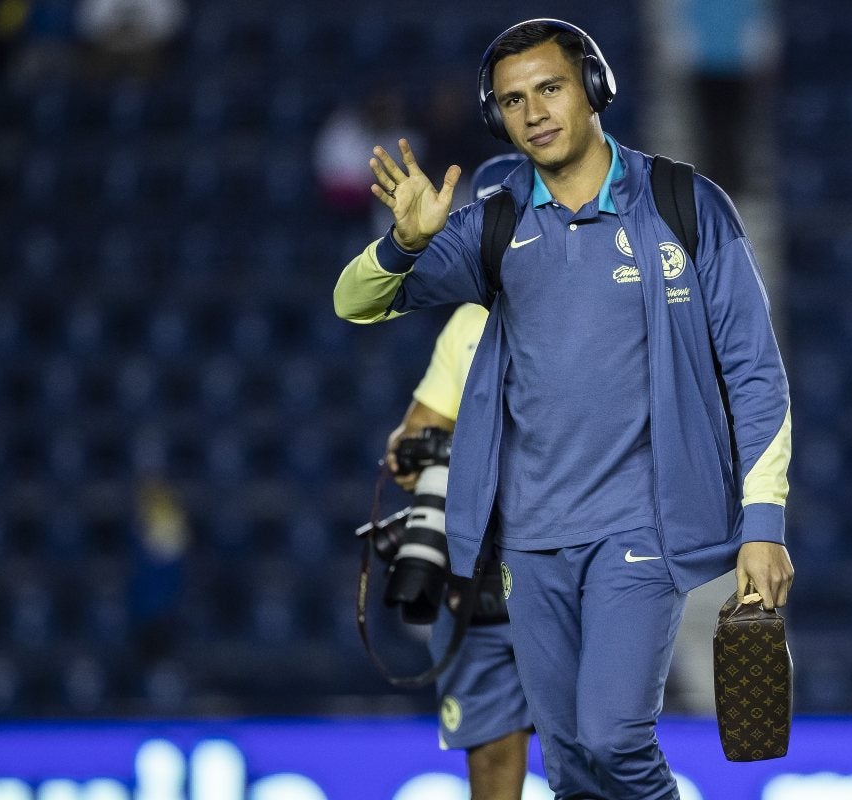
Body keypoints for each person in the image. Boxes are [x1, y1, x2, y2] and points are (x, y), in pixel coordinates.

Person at [334, 19, 794, 799]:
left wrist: (764, 527)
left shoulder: (686, 206)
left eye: (550, 88)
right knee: (573, 763)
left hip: (639, 530)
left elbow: (756, 375)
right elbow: (355, 302)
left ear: (595, 89)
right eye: (513, 101)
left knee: (613, 737)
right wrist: (402, 245)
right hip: (528, 541)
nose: (534, 112)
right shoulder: (495, 218)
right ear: (497, 119)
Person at [384, 153, 532, 800]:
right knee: (492, 761)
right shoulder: (469, 322)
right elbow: (413, 441)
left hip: (575, 570)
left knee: (598, 751)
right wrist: (415, 450)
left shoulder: (612, 310)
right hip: (481, 580)